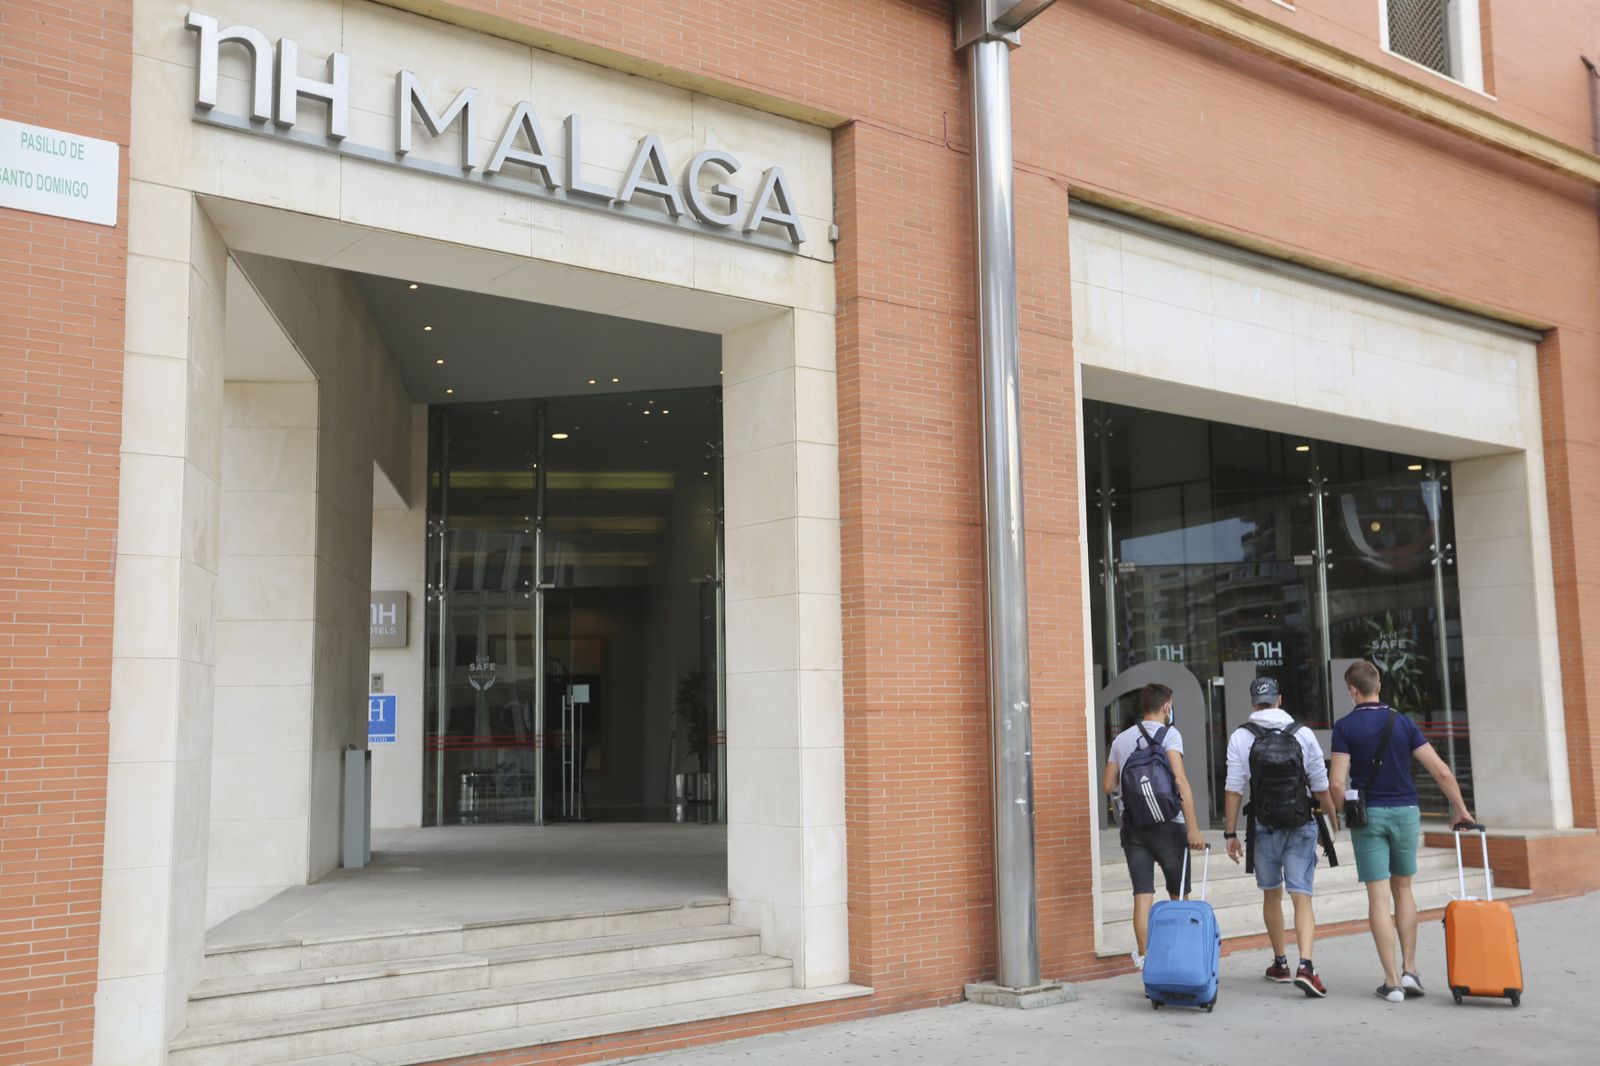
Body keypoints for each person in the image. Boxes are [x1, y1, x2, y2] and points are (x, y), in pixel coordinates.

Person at [1330, 660, 1473, 1003]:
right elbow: (1441, 771)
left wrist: (1342, 811)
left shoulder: (1345, 727)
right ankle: (1410, 970)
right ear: (1379, 686)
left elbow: (1336, 782)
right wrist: (1461, 810)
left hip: (1369, 816)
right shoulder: (1403, 722)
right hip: (1406, 813)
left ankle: (1391, 982)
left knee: (1378, 896)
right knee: (1404, 889)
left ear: (1352, 690)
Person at [1222, 676, 1339, 998]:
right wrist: (1332, 824)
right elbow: (1320, 786)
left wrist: (1230, 834)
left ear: (1252, 703)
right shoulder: (1302, 733)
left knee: (1271, 894)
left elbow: (1233, 790)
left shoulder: (1241, 737)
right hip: (1301, 824)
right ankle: (1307, 966)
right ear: (1279, 699)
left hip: (1264, 826)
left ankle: (1280, 963)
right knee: (1302, 895)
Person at [1102, 682, 1207, 971]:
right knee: (1178, 896)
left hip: (1134, 827)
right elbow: (1180, 780)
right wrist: (1193, 828)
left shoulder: (1121, 739)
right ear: (1166, 707)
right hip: (1169, 825)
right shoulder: (1170, 734)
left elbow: (1107, 785)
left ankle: (1147, 961)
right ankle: (1179, 962)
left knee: (1142, 895)